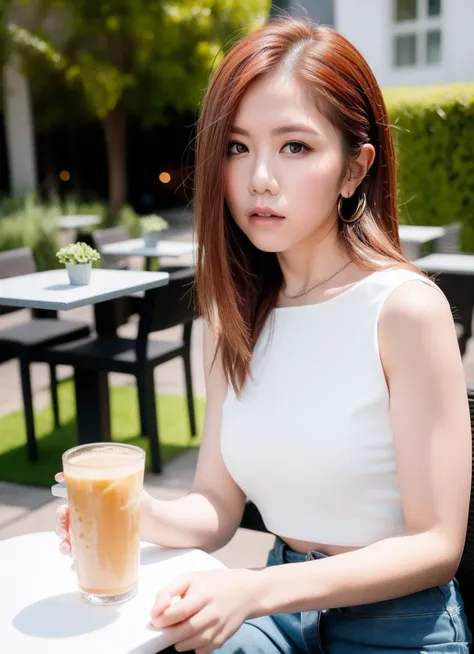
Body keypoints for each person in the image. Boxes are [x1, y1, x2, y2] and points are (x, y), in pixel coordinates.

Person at [55, 17, 472, 654]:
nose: (260, 180)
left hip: (397, 623)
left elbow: (437, 545)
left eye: (295, 147)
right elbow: (217, 507)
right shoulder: (230, 317)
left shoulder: (405, 312)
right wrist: (136, 510)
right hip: (276, 611)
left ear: (354, 169)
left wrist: (254, 591)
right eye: (238, 147)